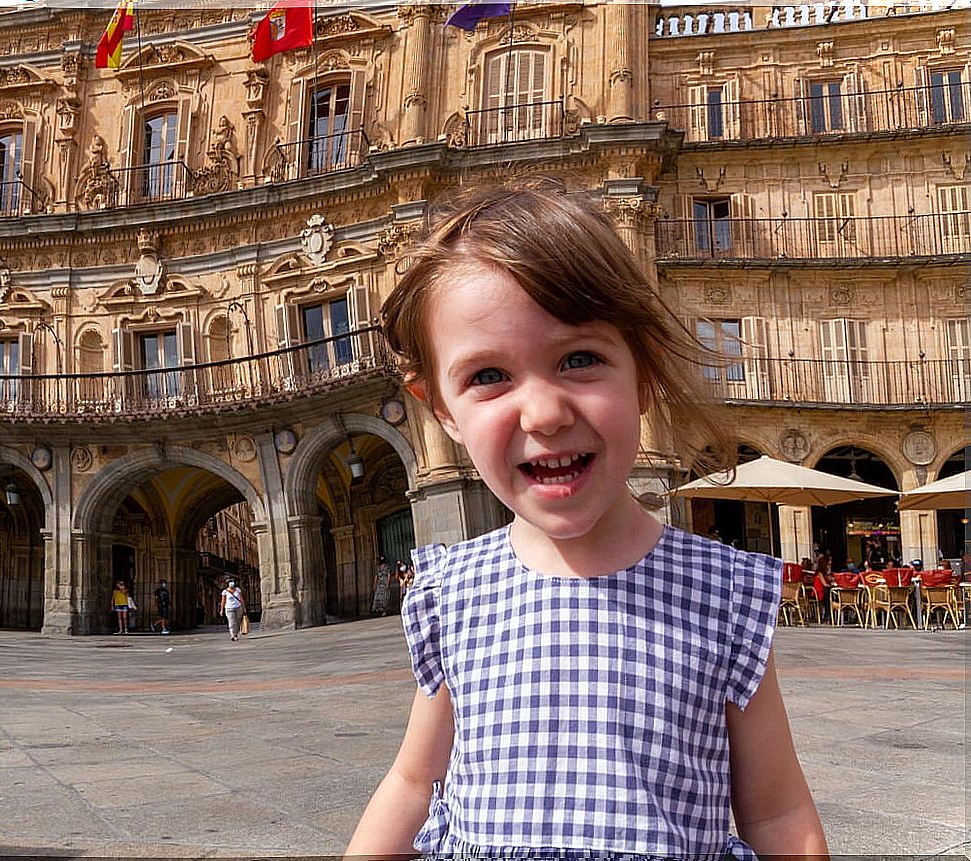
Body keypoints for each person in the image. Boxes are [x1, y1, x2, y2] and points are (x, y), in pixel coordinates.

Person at [345, 179, 826, 857]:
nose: (543, 413)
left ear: (644, 373)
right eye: (487, 376)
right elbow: (413, 780)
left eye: (579, 359)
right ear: (443, 410)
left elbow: (777, 814)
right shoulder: (452, 592)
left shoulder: (722, 595)